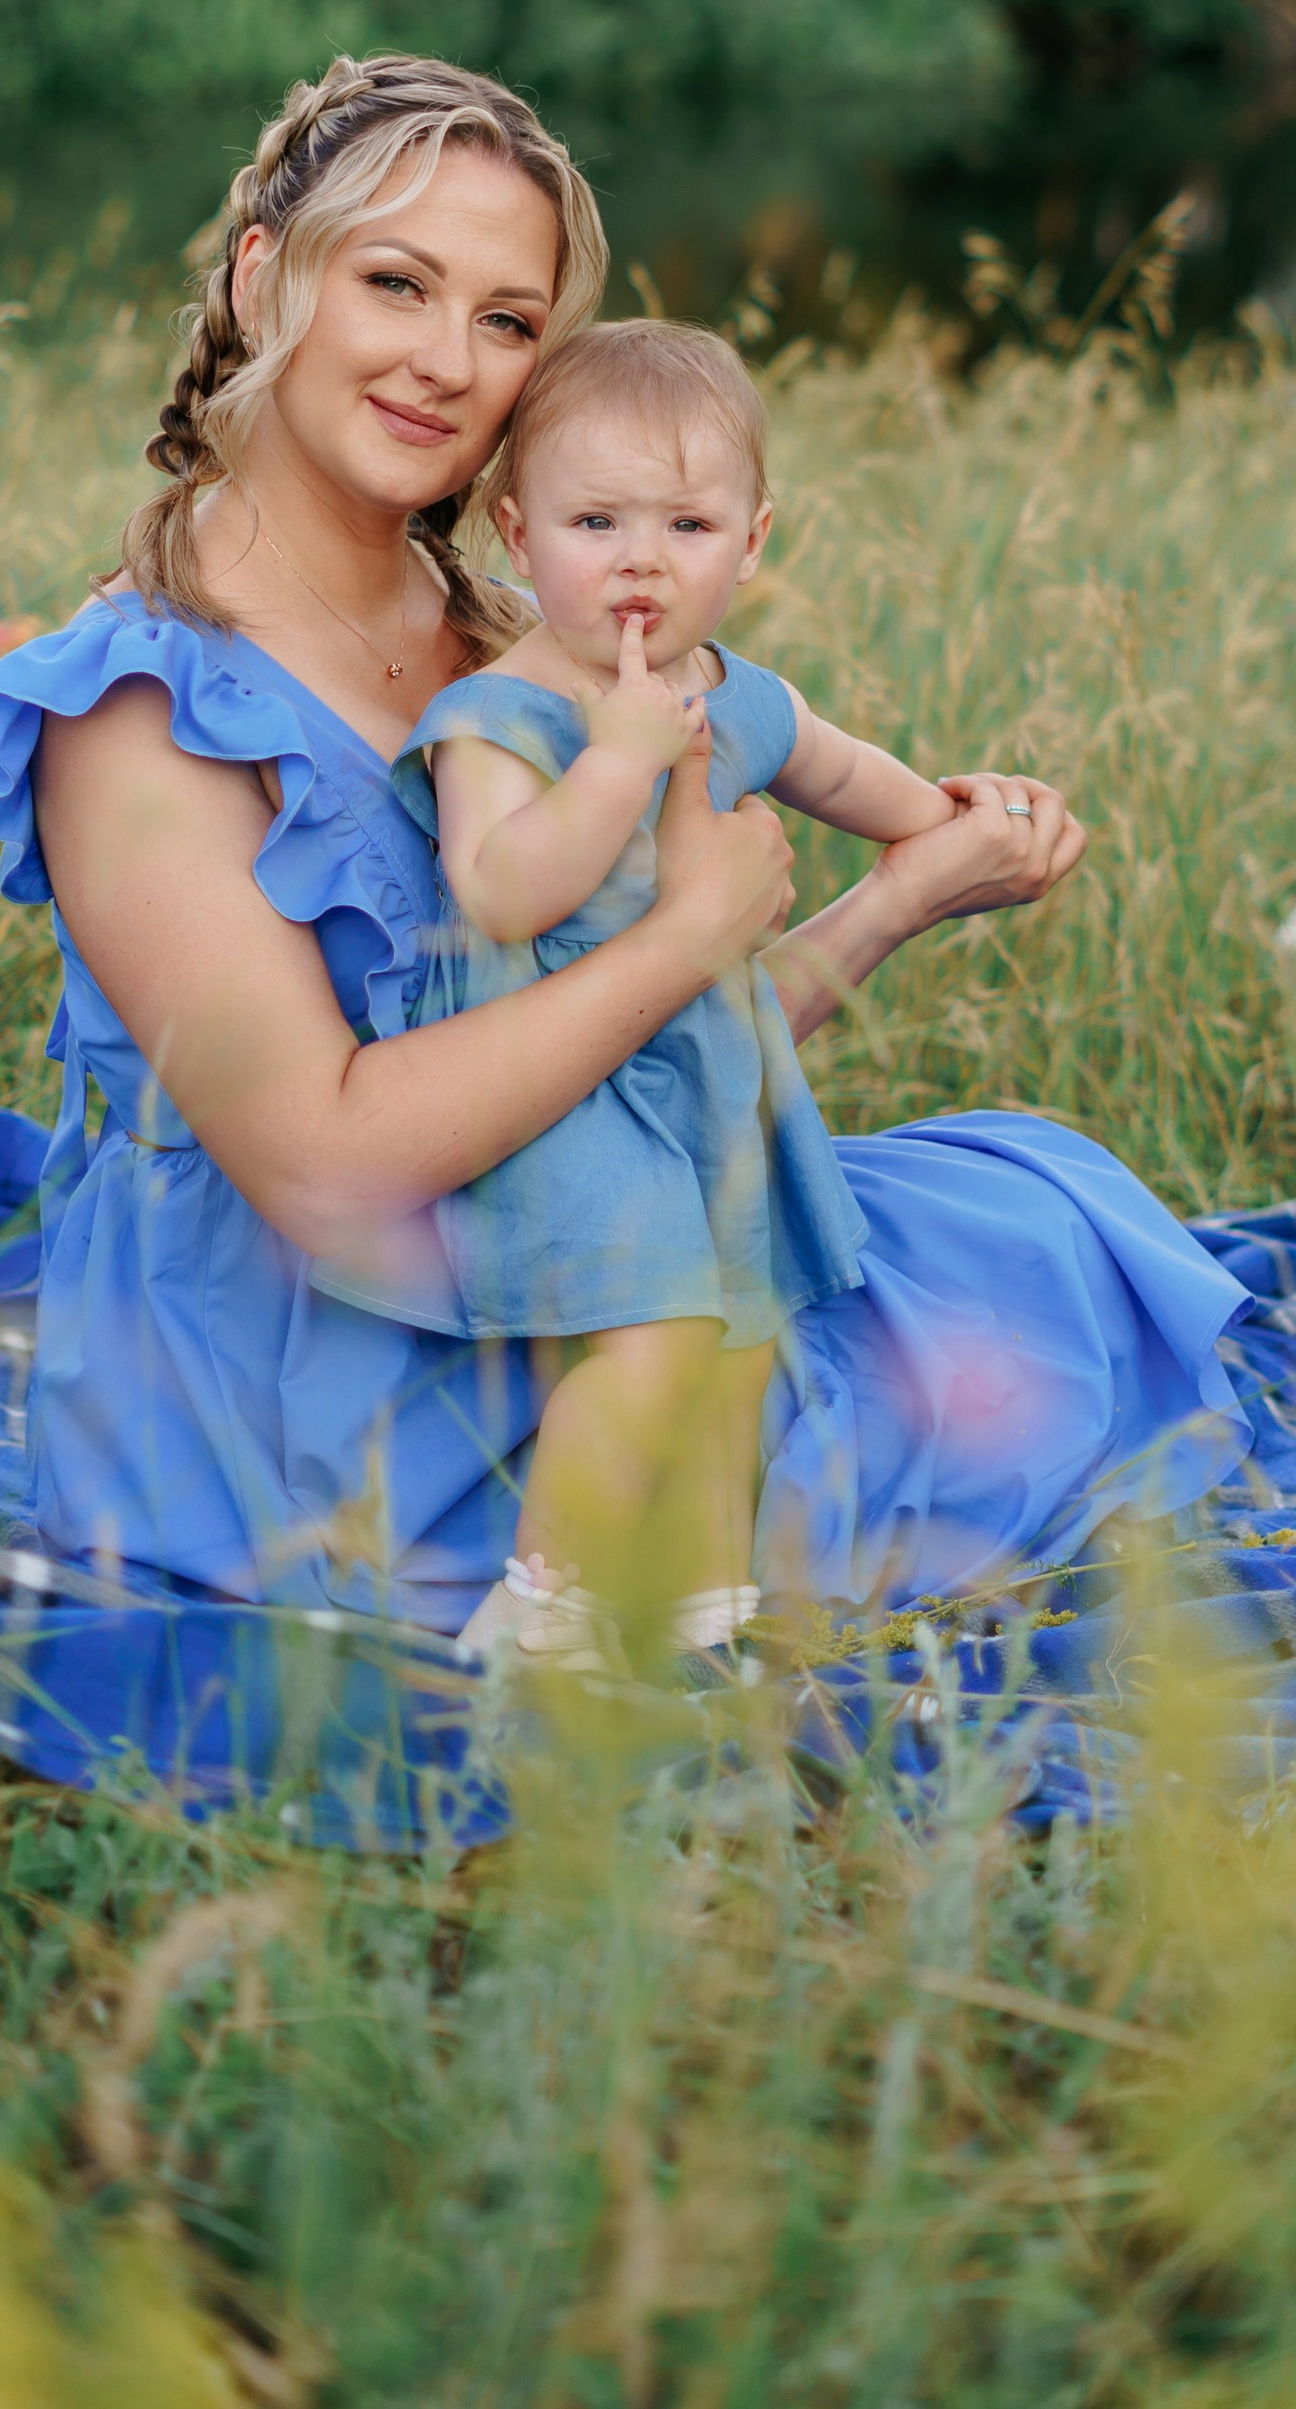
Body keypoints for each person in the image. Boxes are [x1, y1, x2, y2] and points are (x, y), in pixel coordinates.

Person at [0, 53, 1251, 1644]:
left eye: (506, 323)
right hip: (285, 1378)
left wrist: (901, 892)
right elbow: (331, 1167)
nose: (446, 361)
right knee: (958, 1337)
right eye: (396, 284)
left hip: (543, 1255)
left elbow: (642, 1076)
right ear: (265, 275)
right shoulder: (142, 708)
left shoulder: (513, 641)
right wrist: (675, 945)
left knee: (1033, 1205)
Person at [392, 318, 958, 1665]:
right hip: (556, 1092)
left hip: (703, 1087)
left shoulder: (735, 695)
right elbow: (500, 889)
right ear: (520, 540)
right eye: (596, 520)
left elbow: (852, 774)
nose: (642, 558)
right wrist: (615, 763)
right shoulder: (504, 715)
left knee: (732, 1341)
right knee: (647, 1337)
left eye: (689, 526)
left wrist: (956, 819)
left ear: (754, 541)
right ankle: (539, 1617)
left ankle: (696, 1617)